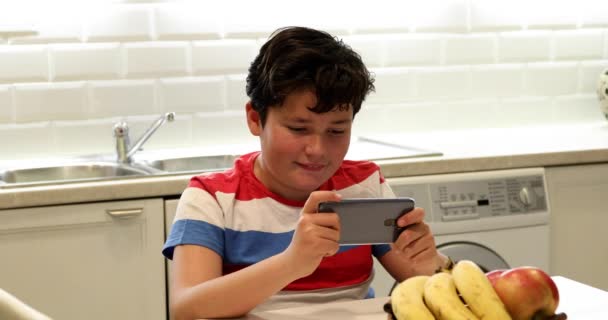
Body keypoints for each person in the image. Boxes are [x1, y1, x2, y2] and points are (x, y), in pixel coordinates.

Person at [162, 26, 449, 319]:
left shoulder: (364, 185)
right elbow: (187, 310)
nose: (318, 149)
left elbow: (427, 283)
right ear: (255, 119)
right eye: (299, 129)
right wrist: (293, 262)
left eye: (337, 130)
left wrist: (428, 262)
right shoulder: (212, 198)